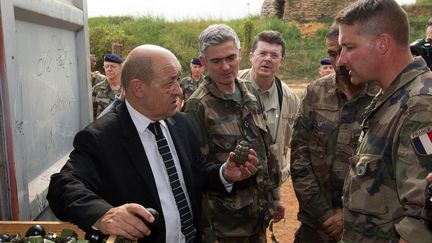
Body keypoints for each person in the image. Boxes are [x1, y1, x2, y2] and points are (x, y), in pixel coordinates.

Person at [47, 44, 259, 243]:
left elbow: (197, 172)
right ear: (138, 88)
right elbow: (62, 186)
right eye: (170, 83)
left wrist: (224, 174)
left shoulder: (182, 123)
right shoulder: (101, 137)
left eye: (178, 80)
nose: (178, 90)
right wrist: (103, 214)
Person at [336, 0, 432, 242]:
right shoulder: (392, 96)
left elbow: (420, 222)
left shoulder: (421, 105)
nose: (341, 61)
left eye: (349, 47)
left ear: (382, 44)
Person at [184, 24, 282, 243]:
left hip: (257, 216)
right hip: (224, 227)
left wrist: (274, 196)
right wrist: (225, 173)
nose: (226, 66)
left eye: (230, 57)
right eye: (216, 61)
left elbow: (268, 149)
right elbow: (195, 170)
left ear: (239, 54)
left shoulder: (251, 93)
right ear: (203, 61)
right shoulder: (197, 106)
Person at [290, 22, 379, 243]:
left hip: (364, 228)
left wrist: (348, 215)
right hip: (316, 225)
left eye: (346, 51)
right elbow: (299, 158)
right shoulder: (315, 92)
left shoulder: (383, 95)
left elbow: (387, 170)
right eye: (332, 53)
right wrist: (324, 214)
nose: (339, 61)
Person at [238, 30, 300, 184]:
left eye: (274, 55)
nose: (267, 59)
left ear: (282, 60)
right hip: (236, 179)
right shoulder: (232, 86)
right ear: (251, 56)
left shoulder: (290, 99)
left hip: (269, 186)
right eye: (262, 53)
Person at [92, 54, 122, 119]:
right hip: (102, 128)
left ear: (121, 67)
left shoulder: (127, 89)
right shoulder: (97, 89)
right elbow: (91, 114)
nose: (109, 69)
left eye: (113, 66)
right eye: (106, 66)